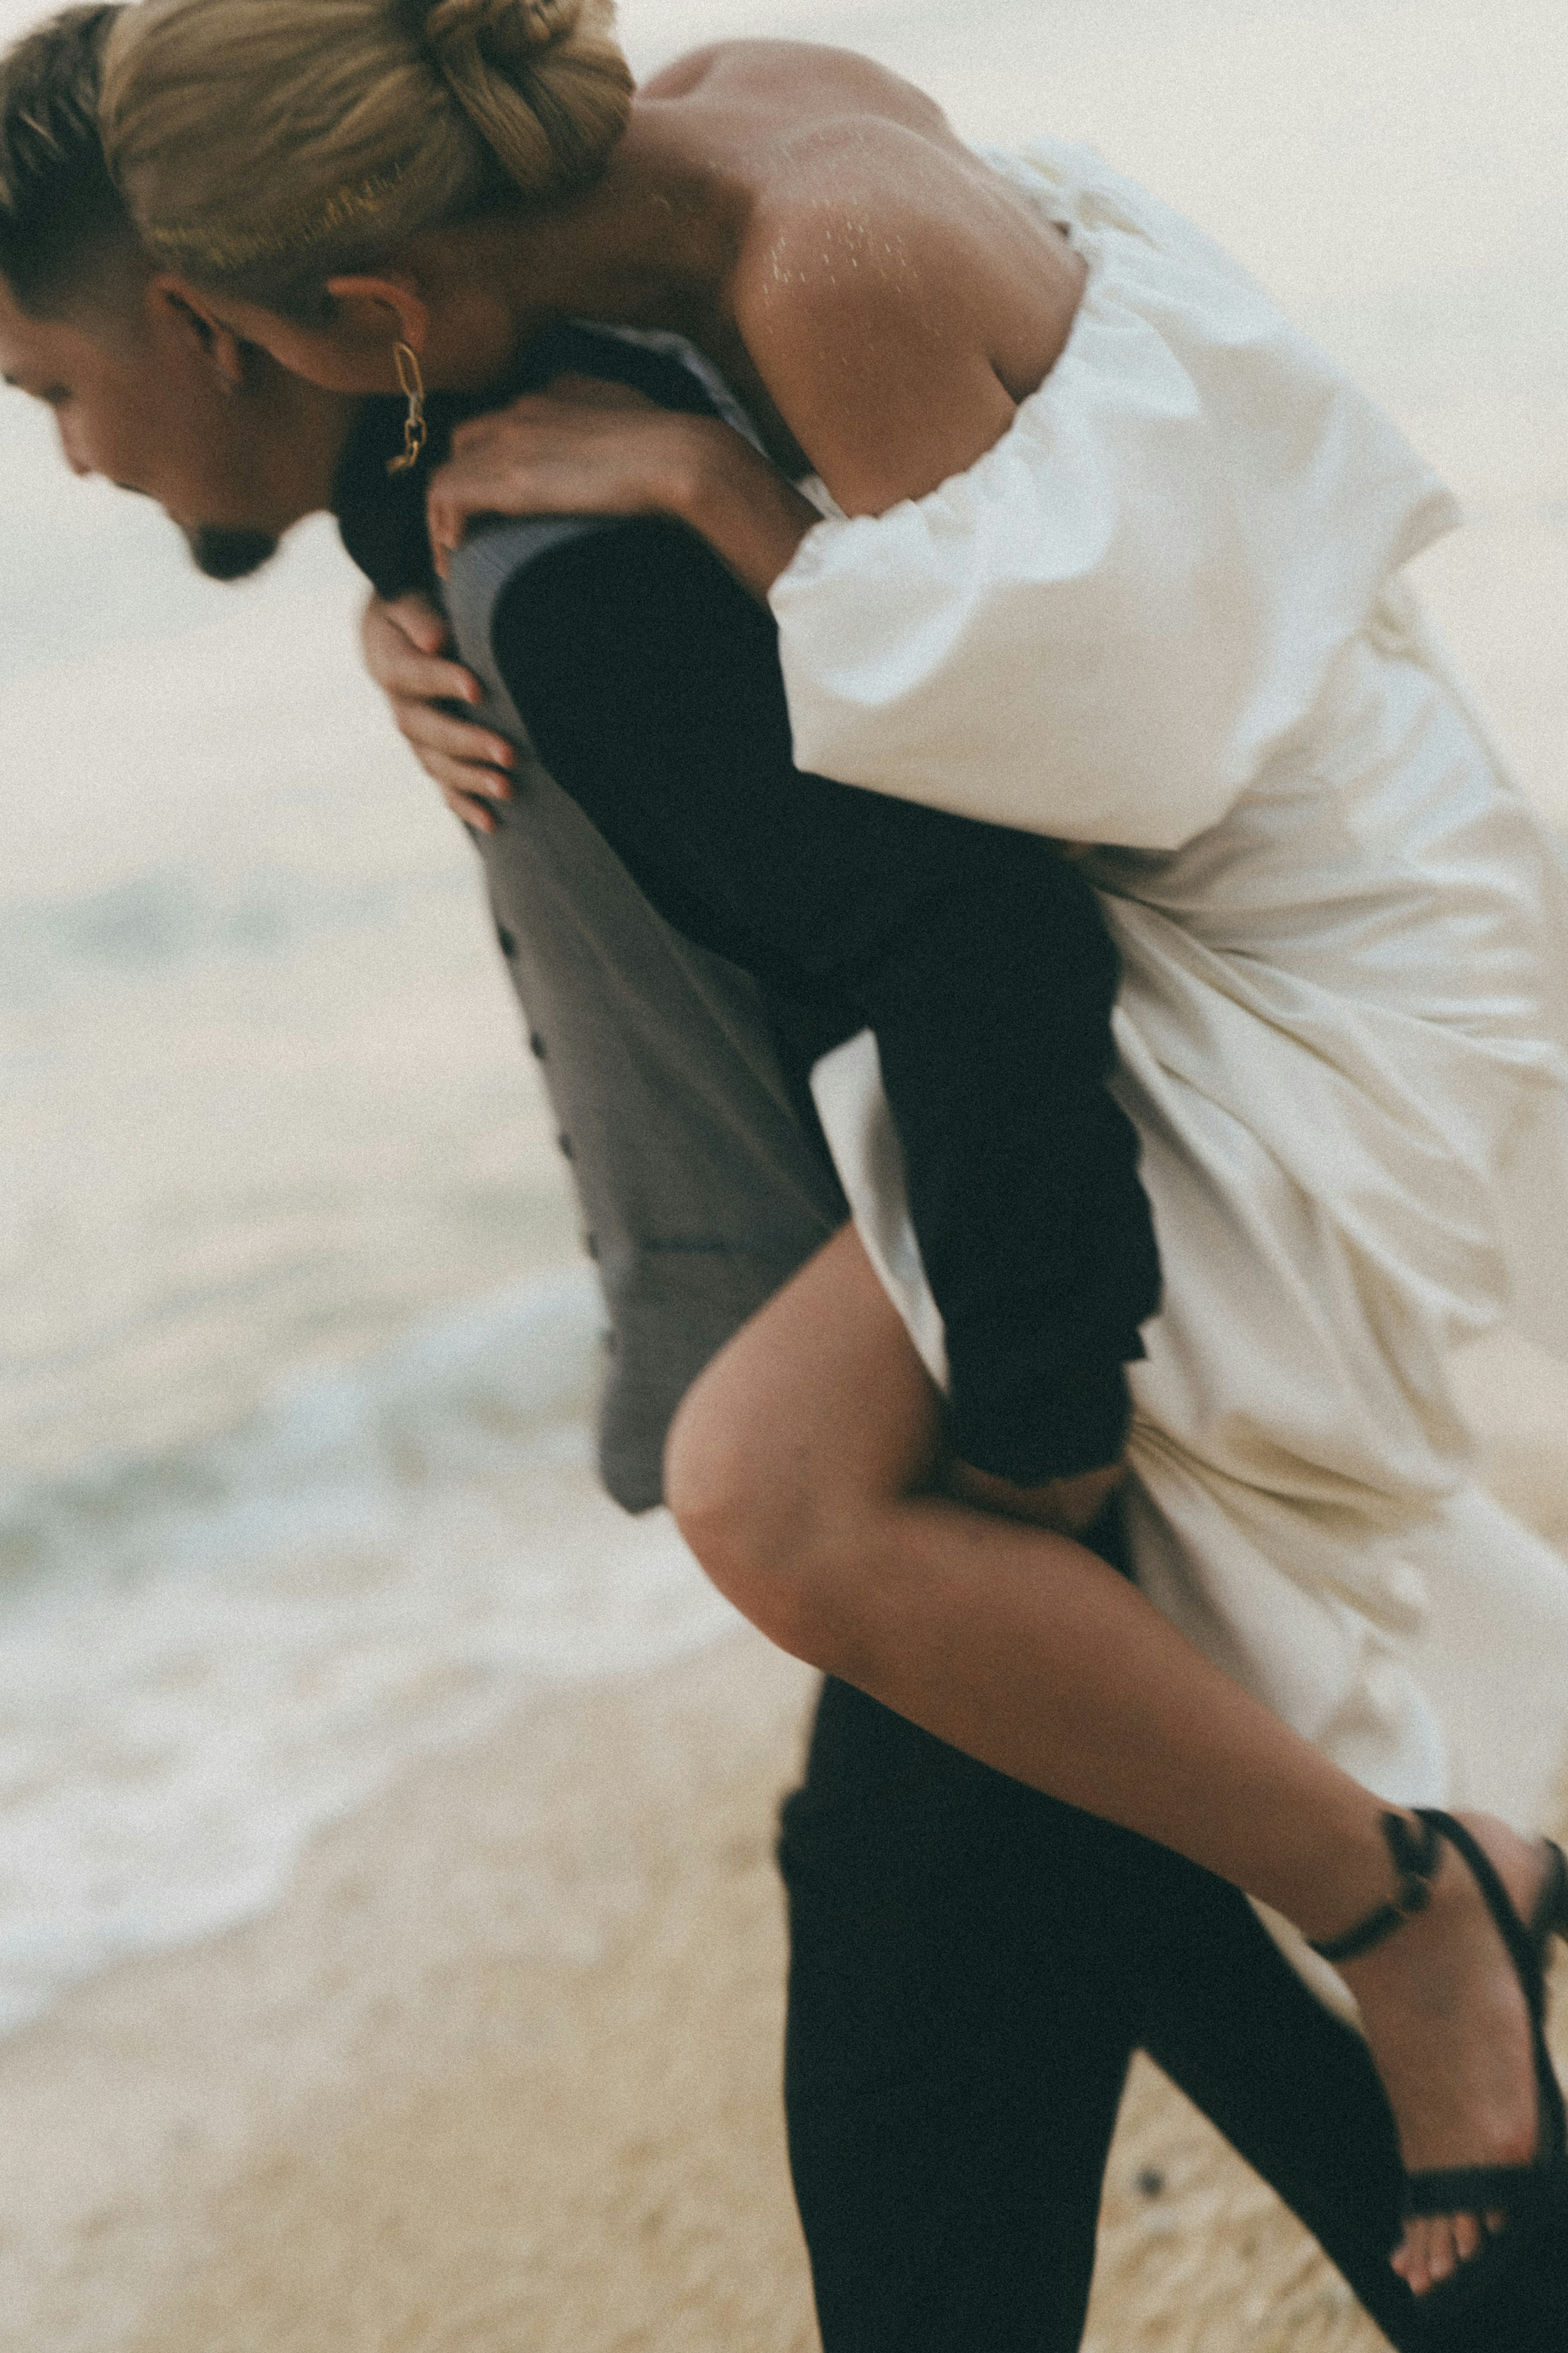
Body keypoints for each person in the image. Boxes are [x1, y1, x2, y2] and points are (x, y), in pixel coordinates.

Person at [5, 11, 1566, 2343]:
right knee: (1187, 2103)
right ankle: (1428, 1931)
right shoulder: (578, 387)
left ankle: (1431, 1902)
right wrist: (384, 573)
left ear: (272, 316)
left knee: (965, 2098)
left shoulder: (641, 490)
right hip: (1031, 1284)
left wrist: (1034, 1440)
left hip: (1051, 1303)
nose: (66, 457)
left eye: (49, 393)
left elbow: (1008, 879)